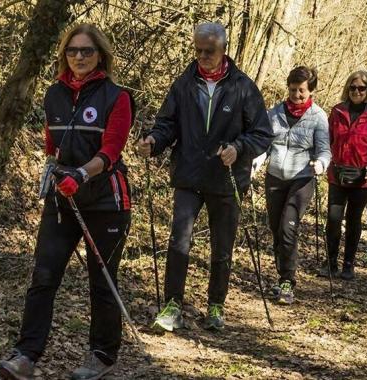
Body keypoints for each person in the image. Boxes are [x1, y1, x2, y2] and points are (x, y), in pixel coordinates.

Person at [0, 24, 135, 380]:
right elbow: (51, 146)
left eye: (86, 51)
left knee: (101, 280)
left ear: (100, 54)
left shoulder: (117, 96)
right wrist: (51, 172)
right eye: (72, 51)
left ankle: (102, 354)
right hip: (63, 200)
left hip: (106, 201)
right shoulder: (53, 94)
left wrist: (81, 175)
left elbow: (110, 151)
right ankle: (26, 355)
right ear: (64, 54)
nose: (79, 57)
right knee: (43, 274)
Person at [138, 23, 273, 332]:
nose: (201, 56)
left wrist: (239, 148)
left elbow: (262, 134)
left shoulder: (243, 87)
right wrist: (153, 142)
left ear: (224, 50)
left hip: (226, 180)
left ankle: (215, 305)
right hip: (188, 175)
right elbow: (166, 124)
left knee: (221, 246)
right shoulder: (184, 84)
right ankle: (172, 306)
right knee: (179, 241)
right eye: (197, 50)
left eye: (208, 51)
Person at [251, 66, 331, 304]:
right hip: (275, 176)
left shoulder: (318, 117)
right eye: (294, 90)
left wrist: (322, 163)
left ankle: (287, 280)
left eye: (302, 91)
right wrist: (257, 160)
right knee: (276, 227)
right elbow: (264, 143)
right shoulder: (273, 113)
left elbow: (324, 149)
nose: (297, 95)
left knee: (288, 227)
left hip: (302, 178)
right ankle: (281, 274)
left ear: (311, 91)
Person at [323, 70, 367, 280]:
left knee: (354, 221)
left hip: (362, 176)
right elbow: (327, 139)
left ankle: (348, 263)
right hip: (338, 174)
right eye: (353, 87)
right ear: (347, 89)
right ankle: (331, 260)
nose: (357, 92)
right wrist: (325, 161)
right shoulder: (337, 111)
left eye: (361, 88)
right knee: (333, 219)